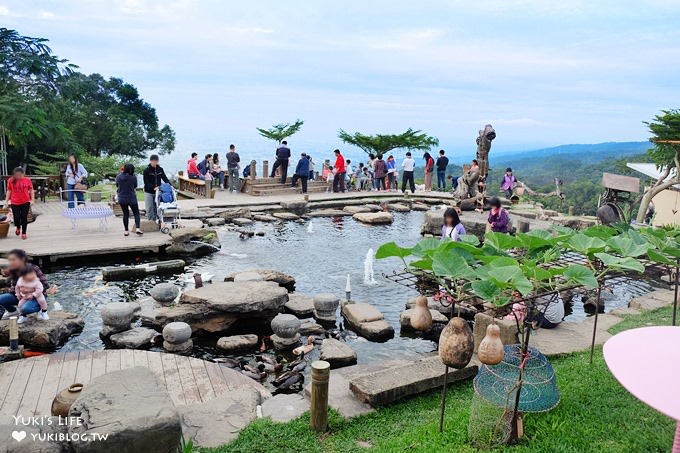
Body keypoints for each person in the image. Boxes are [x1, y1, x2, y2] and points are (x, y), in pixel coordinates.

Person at [0, 249, 52, 323]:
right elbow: (15, 286)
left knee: (26, 308)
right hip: (22, 295)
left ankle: (41, 309)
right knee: (1, 299)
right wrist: (17, 294)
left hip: (36, 296)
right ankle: (13, 311)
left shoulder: (34, 268)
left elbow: (45, 285)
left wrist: (32, 293)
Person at [5, 167, 34, 240]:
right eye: (17, 175)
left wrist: (32, 200)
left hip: (25, 201)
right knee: (16, 217)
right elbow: (9, 190)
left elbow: (31, 190)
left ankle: (24, 233)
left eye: (20, 175)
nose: (19, 177)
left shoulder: (27, 180)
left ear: (23, 174)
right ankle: (18, 227)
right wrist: (6, 200)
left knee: (24, 218)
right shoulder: (10, 180)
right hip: (15, 202)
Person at [116, 164, 143, 236]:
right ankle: (137, 228)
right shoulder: (133, 177)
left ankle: (126, 231)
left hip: (122, 198)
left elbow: (117, 185)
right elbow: (135, 186)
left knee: (125, 214)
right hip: (131, 198)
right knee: (136, 213)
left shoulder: (118, 176)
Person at [142, 154, 170, 221]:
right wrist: (153, 187)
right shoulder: (146, 171)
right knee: (149, 207)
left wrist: (170, 185)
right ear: (150, 161)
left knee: (157, 207)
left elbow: (165, 178)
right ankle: (150, 221)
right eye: (153, 161)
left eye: (156, 161)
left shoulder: (160, 169)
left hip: (158, 191)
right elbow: (146, 182)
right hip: (148, 191)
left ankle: (157, 221)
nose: (154, 162)